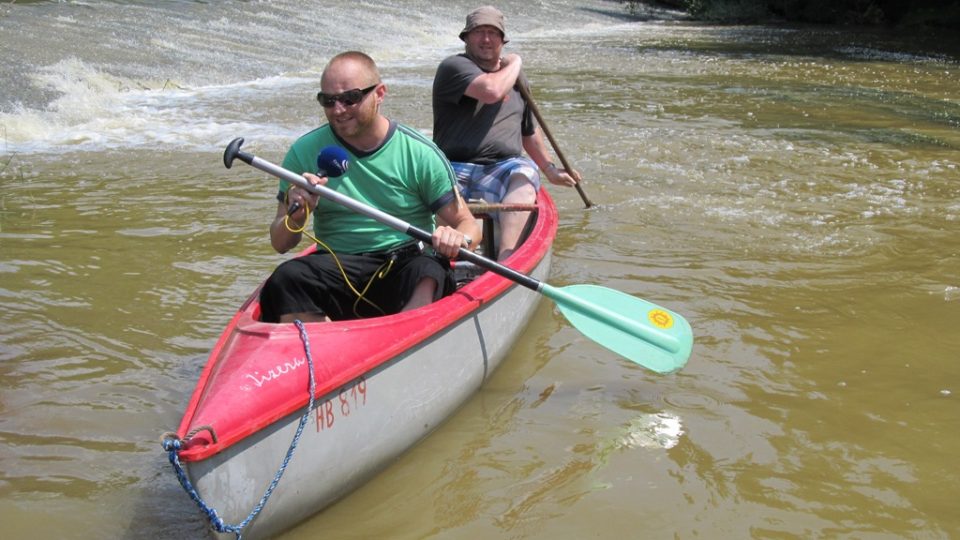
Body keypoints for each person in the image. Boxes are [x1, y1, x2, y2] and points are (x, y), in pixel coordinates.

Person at [259, 51, 481, 324]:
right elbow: (280, 243)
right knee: (286, 278)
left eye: (350, 98)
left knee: (428, 272)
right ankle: (319, 350)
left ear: (380, 93)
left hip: (404, 263)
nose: (338, 110)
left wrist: (458, 238)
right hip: (339, 263)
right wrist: (297, 213)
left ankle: (404, 340)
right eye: (327, 101)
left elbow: (468, 224)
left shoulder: (419, 153)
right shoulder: (303, 152)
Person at [432, 6, 581, 261]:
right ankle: (442, 258)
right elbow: (491, 91)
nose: (486, 39)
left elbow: (529, 131)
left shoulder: (516, 77)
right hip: (452, 166)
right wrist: (517, 61)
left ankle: (507, 261)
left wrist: (550, 170)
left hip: (501, 167)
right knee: (428, 187)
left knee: (525, 174)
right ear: (466, 38)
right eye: (479, 32)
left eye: (493, 33)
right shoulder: (454, 67)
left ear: (502, 40)